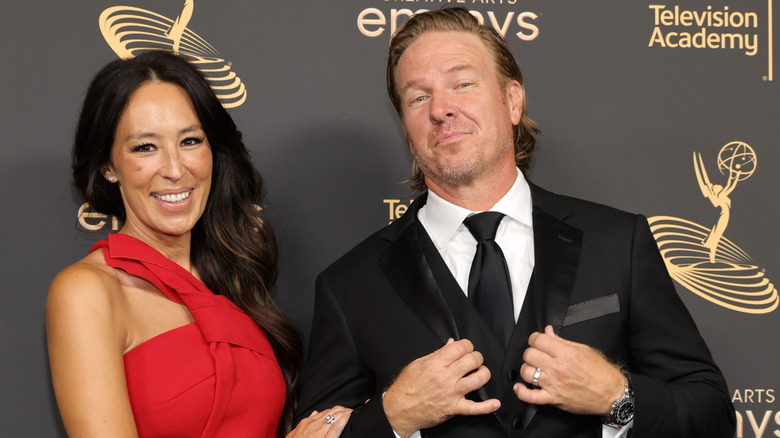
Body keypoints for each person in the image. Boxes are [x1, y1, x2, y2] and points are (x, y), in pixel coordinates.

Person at [296, 7, 735, 438]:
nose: (441, 109)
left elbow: (712, 415)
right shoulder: (349, 286)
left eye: (462, 83)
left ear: (512, 100)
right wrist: (393, 416)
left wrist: (616, 396)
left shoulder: (618, 242)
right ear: (407, 130)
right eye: (419, 97)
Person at [46, 50, 350, 437]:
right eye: (145, 147)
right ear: (108, 166)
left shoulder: (230, 282)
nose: (175, 169)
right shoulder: (87, 292)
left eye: (190, 141)